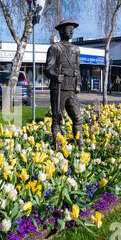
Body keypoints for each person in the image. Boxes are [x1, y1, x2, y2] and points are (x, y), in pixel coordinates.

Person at [44, 19, 83, 149]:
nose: (71, 31)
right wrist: (55, 75)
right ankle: (59, 145)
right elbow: (48, 68)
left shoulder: (76, 49)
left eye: (73, 28)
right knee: (57, 118)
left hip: (71, 89)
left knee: (77, 117)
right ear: (61, 30)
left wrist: (78, 84)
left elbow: (77, 68)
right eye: (68, 28)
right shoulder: (55, 48)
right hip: (58, 88)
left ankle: (79, 143)